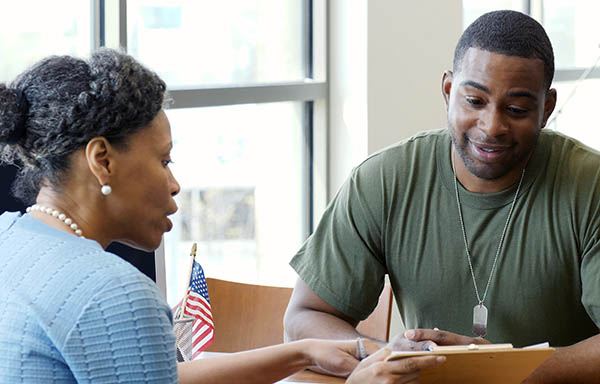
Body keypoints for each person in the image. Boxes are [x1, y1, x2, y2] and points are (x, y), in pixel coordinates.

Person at [0, 48, 445, 383]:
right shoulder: (112, 291)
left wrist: (302, 352)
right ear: (102, 159)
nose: (174, 184)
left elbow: (155, 377)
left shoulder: (10, 240)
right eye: (164, 161)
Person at [284, 9, 600, 383]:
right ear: (449, 91)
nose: (492, 126)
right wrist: (382, 356)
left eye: (516, 109)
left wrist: (502, 372)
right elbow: (305, 318)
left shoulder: (589, 185)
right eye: (474, 101)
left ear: (546, 108)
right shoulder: (385, 180)